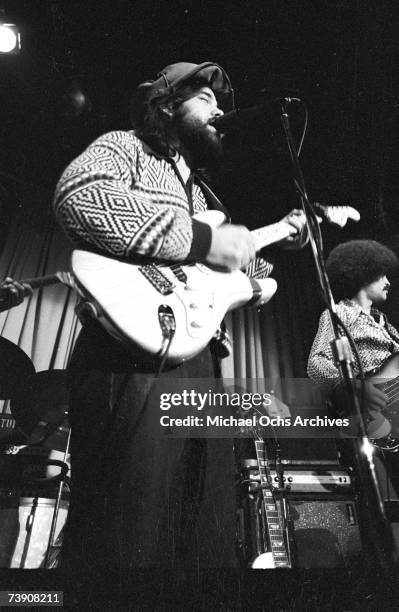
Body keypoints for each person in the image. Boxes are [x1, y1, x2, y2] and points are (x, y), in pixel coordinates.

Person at [53, 61, 308, 574]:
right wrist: (205, 239)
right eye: (206, 99)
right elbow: (80, 197)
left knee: (201, 530)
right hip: (128, 359)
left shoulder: (204, 192)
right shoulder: (125, 146)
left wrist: (284, 235)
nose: (220, 112)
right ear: (167, 104)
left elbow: (228, 265)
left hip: (198, 361)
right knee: (126, 527)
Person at [308, 239, 399, 440]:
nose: (388, 282)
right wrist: (356, 387)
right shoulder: (341, 312)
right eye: (382, 275)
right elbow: (317, 364)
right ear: (363, 274)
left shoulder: (387, 326)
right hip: (371, 423)